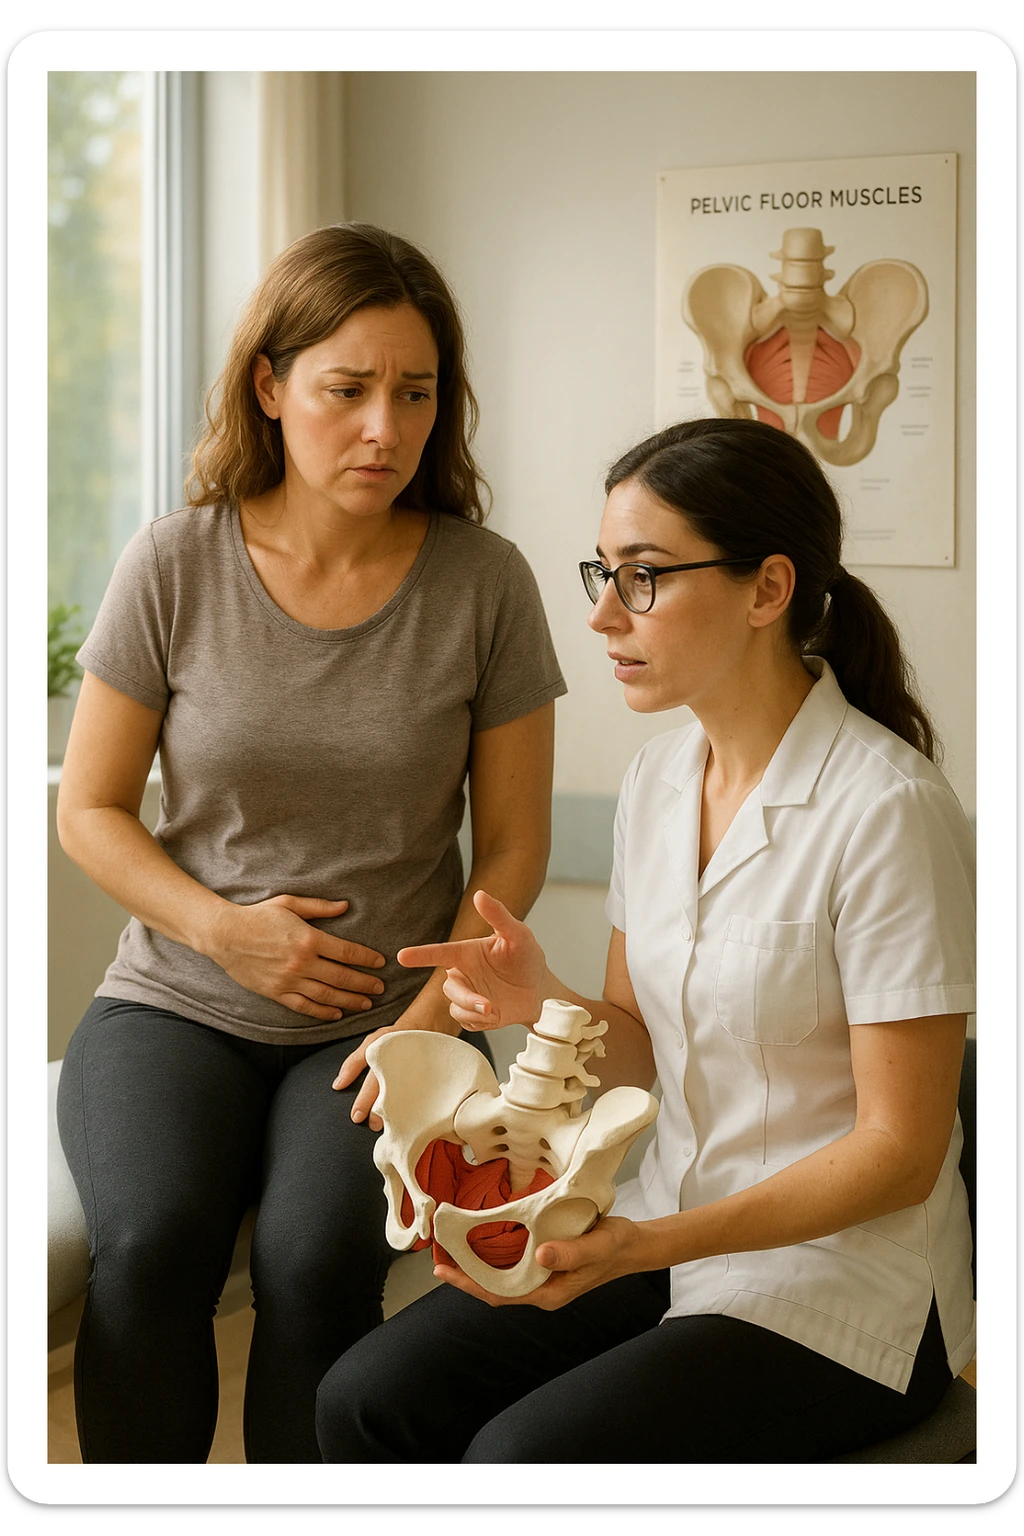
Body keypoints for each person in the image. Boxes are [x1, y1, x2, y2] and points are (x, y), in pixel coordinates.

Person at [314, 416, 976, 1464]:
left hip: (843, 1286)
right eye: (603, 572)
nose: (600, 615)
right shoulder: (658, 781)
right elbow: (639, 1048)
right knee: (365, 1399)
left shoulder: (887, 810)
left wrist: (639, 1246)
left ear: (767, 589)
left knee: (516, 1461)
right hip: (668, 1226)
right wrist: (545, 1001)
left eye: (643, 578)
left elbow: (898, 1156)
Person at [55, 223, 566, 1464]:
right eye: (347, 391)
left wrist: (434, 1017)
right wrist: (226, 931)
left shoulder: (483, 581)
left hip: (389, 1025)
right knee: (152, 1240)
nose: (384, 429)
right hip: (176, 999)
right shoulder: (173, 562)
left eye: (415, 392)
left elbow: (511, 841)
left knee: (313, 1256)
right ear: (270, 387)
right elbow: (91, 807)